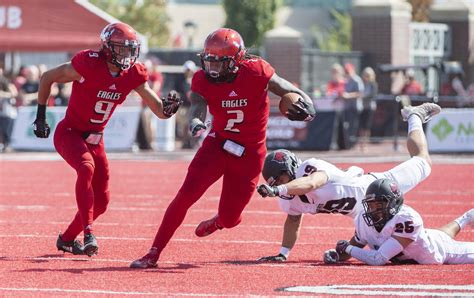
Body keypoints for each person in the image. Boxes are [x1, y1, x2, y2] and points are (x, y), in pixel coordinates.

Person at [130, 27, 316, 268]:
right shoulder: (201, 78)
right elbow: (198, 105)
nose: (213, 68)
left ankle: (219, 222)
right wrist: (195, 121)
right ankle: (153, 252)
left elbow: (288, 89)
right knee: (184, 196)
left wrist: (307, 104)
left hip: (249, 153)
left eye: (220, 63)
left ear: (237, 60)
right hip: (218, 145)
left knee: (230, 218)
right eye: (209, 62)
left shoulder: (257, 70)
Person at [32, 22, 182, 257]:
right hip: (70, 132)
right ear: (107, 48)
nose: (127, 54)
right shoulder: (88, 64)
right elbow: (47, 77)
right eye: (122, 48)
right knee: (85, 168)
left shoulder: (133, 73)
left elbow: (158, 110)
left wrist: (169, 109)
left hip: (96, 139)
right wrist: (40, 115)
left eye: (130, 49)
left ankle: (67, 239)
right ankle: (88, 233)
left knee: (101, 202)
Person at [256, 102, 441, 262]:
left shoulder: (309, 167)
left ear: (289, 169)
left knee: (423, 161)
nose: (279, 185)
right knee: (385, 248)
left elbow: (312, 183)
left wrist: (278, 189)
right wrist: (283, 253)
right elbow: (293, 221)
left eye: (280, 179)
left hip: (376, 188)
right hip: (364, 212)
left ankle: (414, 115)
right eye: (275, 183)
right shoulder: (289, 199)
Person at [324, 179, 474, 265]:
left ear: (395, 203)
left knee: (444, 239)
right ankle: (467, 217)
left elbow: (378, 259)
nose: (373, 209)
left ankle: (467, 217)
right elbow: (353, 248)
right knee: (442, 233)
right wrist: (337, 255)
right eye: (370, 204)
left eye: (379, 204)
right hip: (426, 238)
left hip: (438, 251)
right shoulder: (363, 218)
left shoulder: (407, 219)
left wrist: (347, 249)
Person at [359, 67, 378, 152]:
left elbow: (372, 95)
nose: (365, 77)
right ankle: (361, 143)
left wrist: (363, 96)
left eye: (367, 75)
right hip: (362, 106)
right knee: (361, 126)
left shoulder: (373, 84)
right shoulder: (362, 84)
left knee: (367, 127)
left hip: (369, 107)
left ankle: (365, 143)